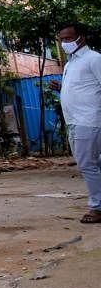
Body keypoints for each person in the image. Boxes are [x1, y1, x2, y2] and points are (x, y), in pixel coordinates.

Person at [51, 22, 101, 224]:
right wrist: (61, 88)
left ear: (81, 38)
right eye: (62, 39)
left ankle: (97, 207)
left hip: (88, 120)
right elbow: (84, 89)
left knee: (88, 164)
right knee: (93, 164)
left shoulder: (94, 59)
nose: (64, 43)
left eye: (68, 38)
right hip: (75, 120)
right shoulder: (71, 63)